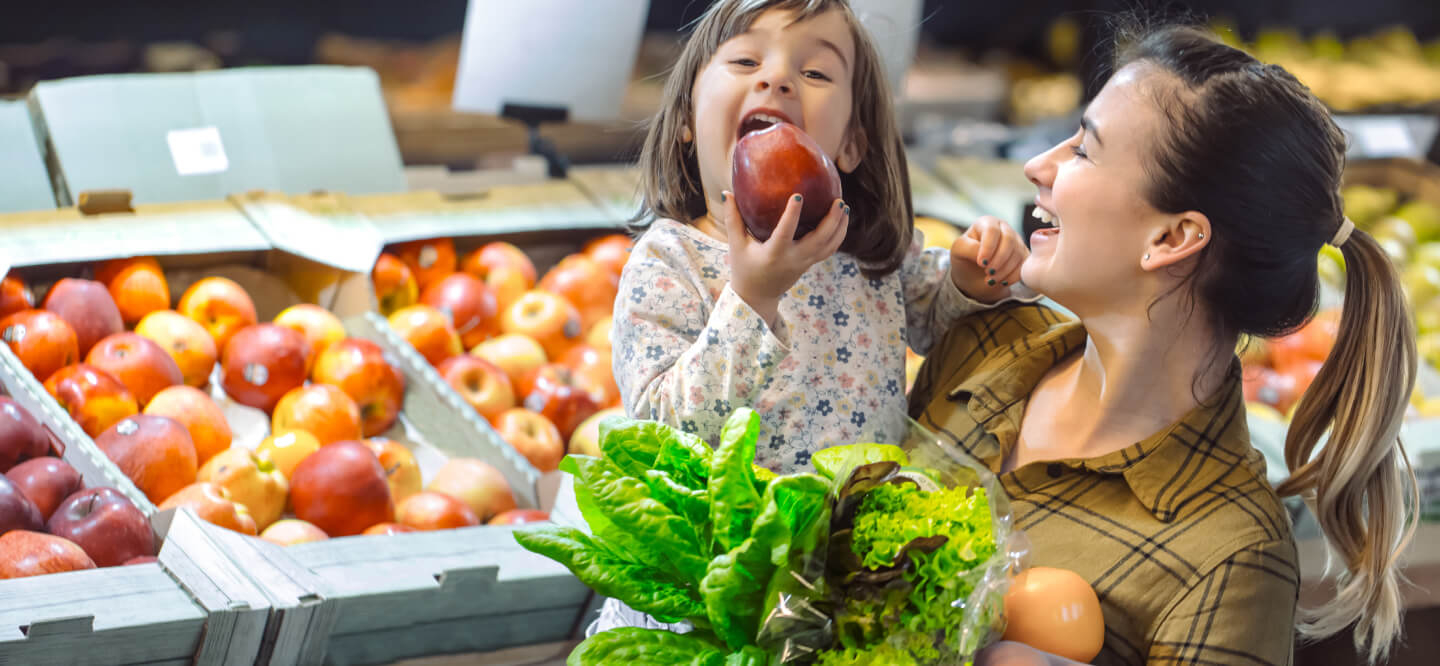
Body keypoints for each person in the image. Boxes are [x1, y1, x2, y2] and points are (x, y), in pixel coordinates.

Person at [911, 24, 1420, 666]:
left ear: (1173, 238)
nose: (1039, 165)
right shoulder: (982, 345)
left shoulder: (1231, 562)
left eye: (1084, 152)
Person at [610, 0, 1032, 476]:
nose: (776, 79)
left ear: (852, 142)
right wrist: (753, 300)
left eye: (815, 73)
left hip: (865, 537)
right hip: (734, 546)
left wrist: (974, 277)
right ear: (687, 116)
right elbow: (661, 438)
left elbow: (946, 325)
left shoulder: (868, 252)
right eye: (746, 61)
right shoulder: (667, 263)